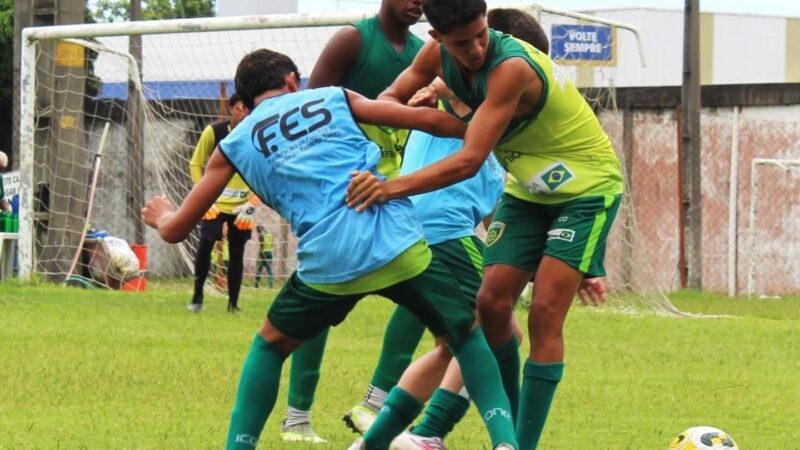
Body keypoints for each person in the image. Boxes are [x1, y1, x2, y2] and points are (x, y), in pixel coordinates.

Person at [141, 48, 517, 450]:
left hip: (329, 262)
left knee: (269, 347)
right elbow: (428, 120)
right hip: (395, 242)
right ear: (290, 81)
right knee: (468, 335)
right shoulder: (334, 96)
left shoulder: (233, 144)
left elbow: (177, 230)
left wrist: (162, 214)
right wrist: (480, 127)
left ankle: (241, 445)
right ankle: (505, 442)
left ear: (245, 99)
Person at [346, 2, 624, 449]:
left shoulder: (511, 68)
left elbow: (472, 158)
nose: (476, 49)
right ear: (436, 39)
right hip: (529, 190)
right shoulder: (436, 61)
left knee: (542, 316)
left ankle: (509, 442)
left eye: (481, 35)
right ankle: (471, 434)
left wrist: (390, 186)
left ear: (488, 22)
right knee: (490, 305)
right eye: (462, 42)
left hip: (585, 188)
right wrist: (416, 121)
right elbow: (388, 101)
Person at [280, 0, 426, 442]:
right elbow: (310, 111)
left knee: (427, 290)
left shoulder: (424, 52)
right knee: (321, 299)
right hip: (343, 192)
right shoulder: (352, 39)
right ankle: (296, 418)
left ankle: (375, 404)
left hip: (398, 187)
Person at [187, 92, 253, 312]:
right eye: (240, 108)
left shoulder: (256, 134)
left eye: (248, 109)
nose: (244, 113)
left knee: (237, 251)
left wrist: (252, 203)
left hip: (242, 207)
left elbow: (266, 171)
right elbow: (195, 163)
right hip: (214, 204)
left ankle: (233, 304)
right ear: (231, 108)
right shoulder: (214, 132)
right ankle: (197, 297)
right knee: (205, 243)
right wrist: (203, 197)